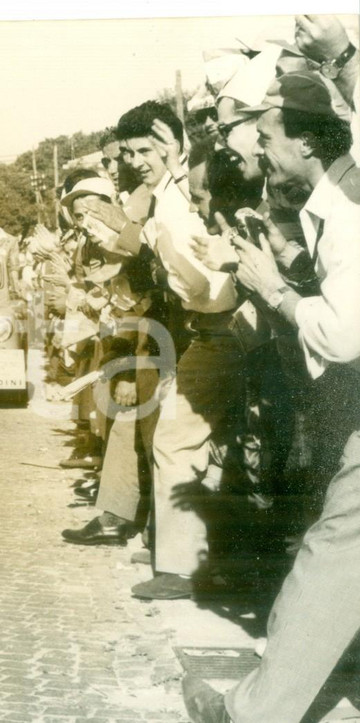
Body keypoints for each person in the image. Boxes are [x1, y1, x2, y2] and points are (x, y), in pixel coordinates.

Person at [183, 71, 360, 723]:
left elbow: (342, 334)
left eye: (265, 137)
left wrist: (276, 292)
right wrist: (274, 262)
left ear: (305, 143)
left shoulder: (347, 207)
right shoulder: (334, 196)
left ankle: (254, 712)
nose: (258, 151)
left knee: (332, 554)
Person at [113, 101, 243, 601]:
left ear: (170, 138)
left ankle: (180, 569)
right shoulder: (165, 193)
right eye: (130, 153)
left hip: (225, 328)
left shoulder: (189, 186)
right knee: (180, 438)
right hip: (205, 329)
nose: (137, 161)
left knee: (174, 438)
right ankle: (180, 557)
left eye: (145, 149)